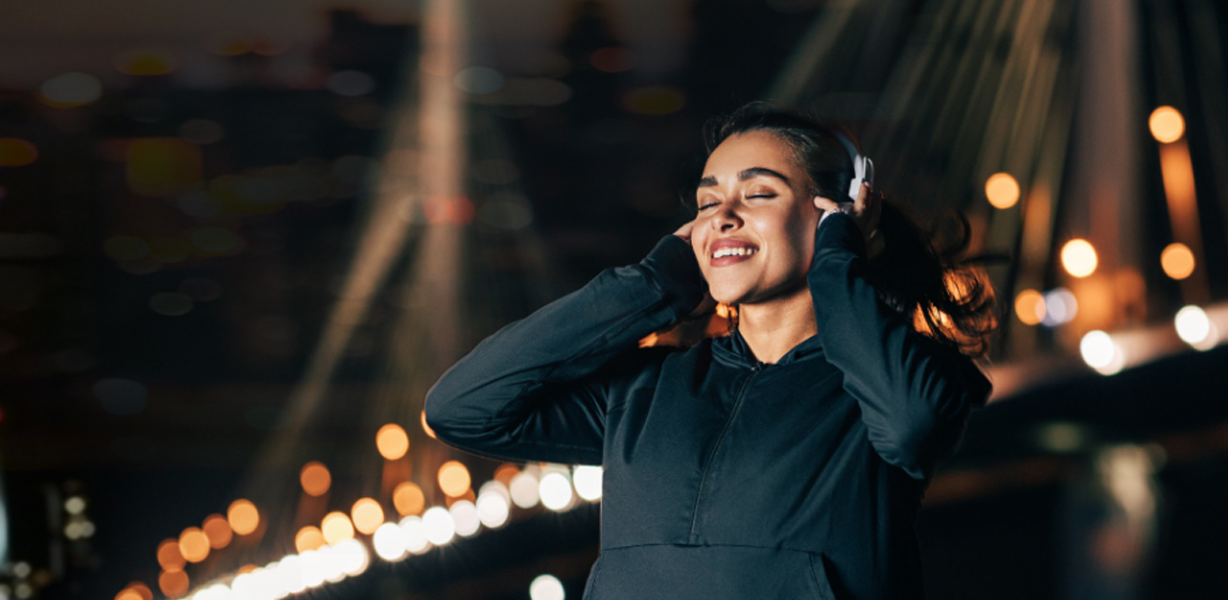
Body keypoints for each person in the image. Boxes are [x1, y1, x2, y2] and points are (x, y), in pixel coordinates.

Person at [424, 104, 997, 599]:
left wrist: (838, 264)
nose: (722, 216)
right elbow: (463, 407)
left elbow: (912, 426)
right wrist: (652, 285)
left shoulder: (892, 384)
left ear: (838, 218)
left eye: (758, 193)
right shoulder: (642, 392)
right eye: (705, 202)